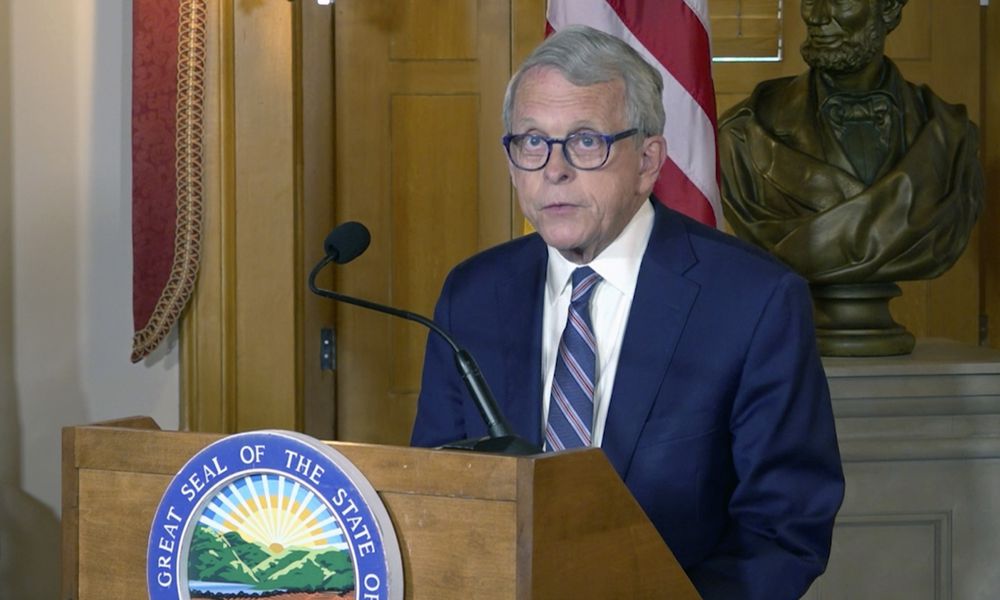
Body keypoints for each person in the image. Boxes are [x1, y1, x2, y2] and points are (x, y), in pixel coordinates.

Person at [411, 25, 844, 599]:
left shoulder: (754, 302)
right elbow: (435, 493)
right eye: (532, 142)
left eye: (586, 141)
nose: (554, 169)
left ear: (647, 161)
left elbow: (785, 528)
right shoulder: (472, 293)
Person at [718, 0, 982, 284]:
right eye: (809, 1)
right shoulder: (745, 134)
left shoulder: (951, 137)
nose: (817, 17)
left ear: (889, 8)